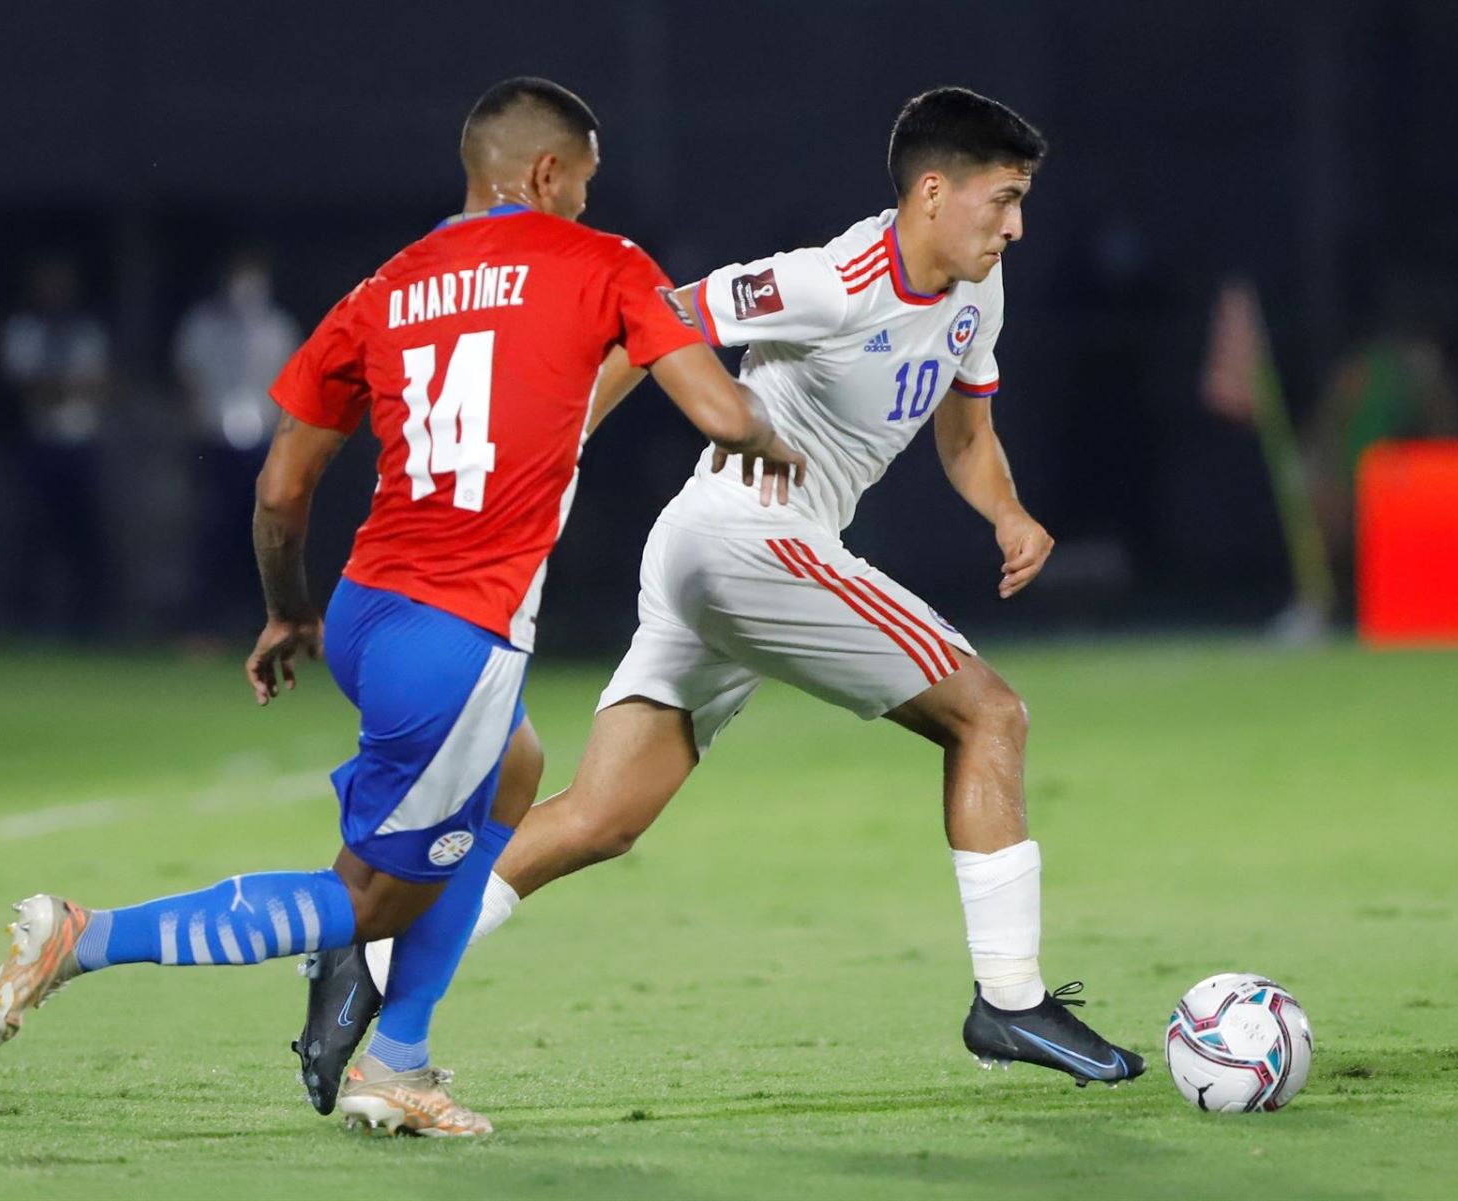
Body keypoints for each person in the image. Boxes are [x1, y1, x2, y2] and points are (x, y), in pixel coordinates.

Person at [0, 76, 805, 1139]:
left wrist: (287, 613)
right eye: (585, 183)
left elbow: (281, 489)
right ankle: (83, 935)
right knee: (368, 903)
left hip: (369, 609)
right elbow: (721, 409)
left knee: (518, 769)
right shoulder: (604, 263)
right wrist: (776, 440)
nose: (590, 204)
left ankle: (399, 1060)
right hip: (459, 639)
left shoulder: (383, 288)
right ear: (548, 173)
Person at [302, 86, 1146, 1103]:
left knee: (602, 817)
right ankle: (1009, 998)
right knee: (992, 715)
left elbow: (964, 435)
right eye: (1002, 199)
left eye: (1022, 204)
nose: (1016, 225)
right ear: (933, 192)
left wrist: (1006, 513)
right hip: (744, 540)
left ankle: (371, 958)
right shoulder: (832, 279)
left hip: (729, 558)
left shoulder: (978, 290)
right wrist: (557, 454)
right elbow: (652, 319)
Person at [172, 249, 300, 642]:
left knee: (267, 538)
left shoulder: (278, 327)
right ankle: (208, 625)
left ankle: (268, 623)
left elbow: (294, 388)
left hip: (263, 448)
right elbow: (187, 377)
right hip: (214, 445)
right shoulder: (202, 325)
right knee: (214, 536)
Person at [0, 256, 113, 636]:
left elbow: (100, 385)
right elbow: (24, 387)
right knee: (31, 538)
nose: (54, 291)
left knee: (84, 539)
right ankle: (25, 621)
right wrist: (66, 387)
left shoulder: (87, 333)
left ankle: (90, 623)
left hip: (79, 446)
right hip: (38, 445)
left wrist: (58, 387)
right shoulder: (23, 330)